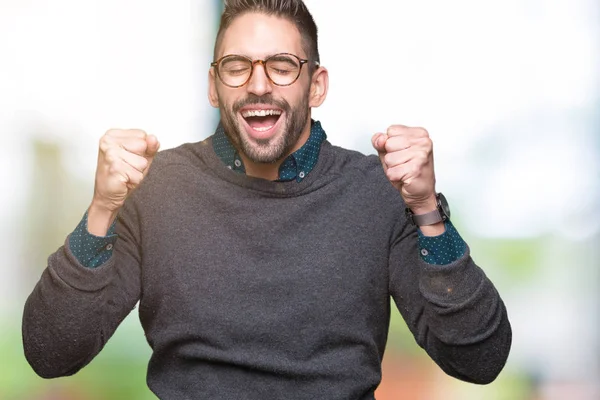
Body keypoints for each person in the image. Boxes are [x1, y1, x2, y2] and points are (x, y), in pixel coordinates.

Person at [22, 0, 512, 398]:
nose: (259, 85)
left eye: (281, 66)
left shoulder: (379, 191)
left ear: (316, 86)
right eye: (237, 67)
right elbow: (50, 352)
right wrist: (102, 211)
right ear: (214, 87)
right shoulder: (154, 187)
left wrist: (427, 211)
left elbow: (480, 360)